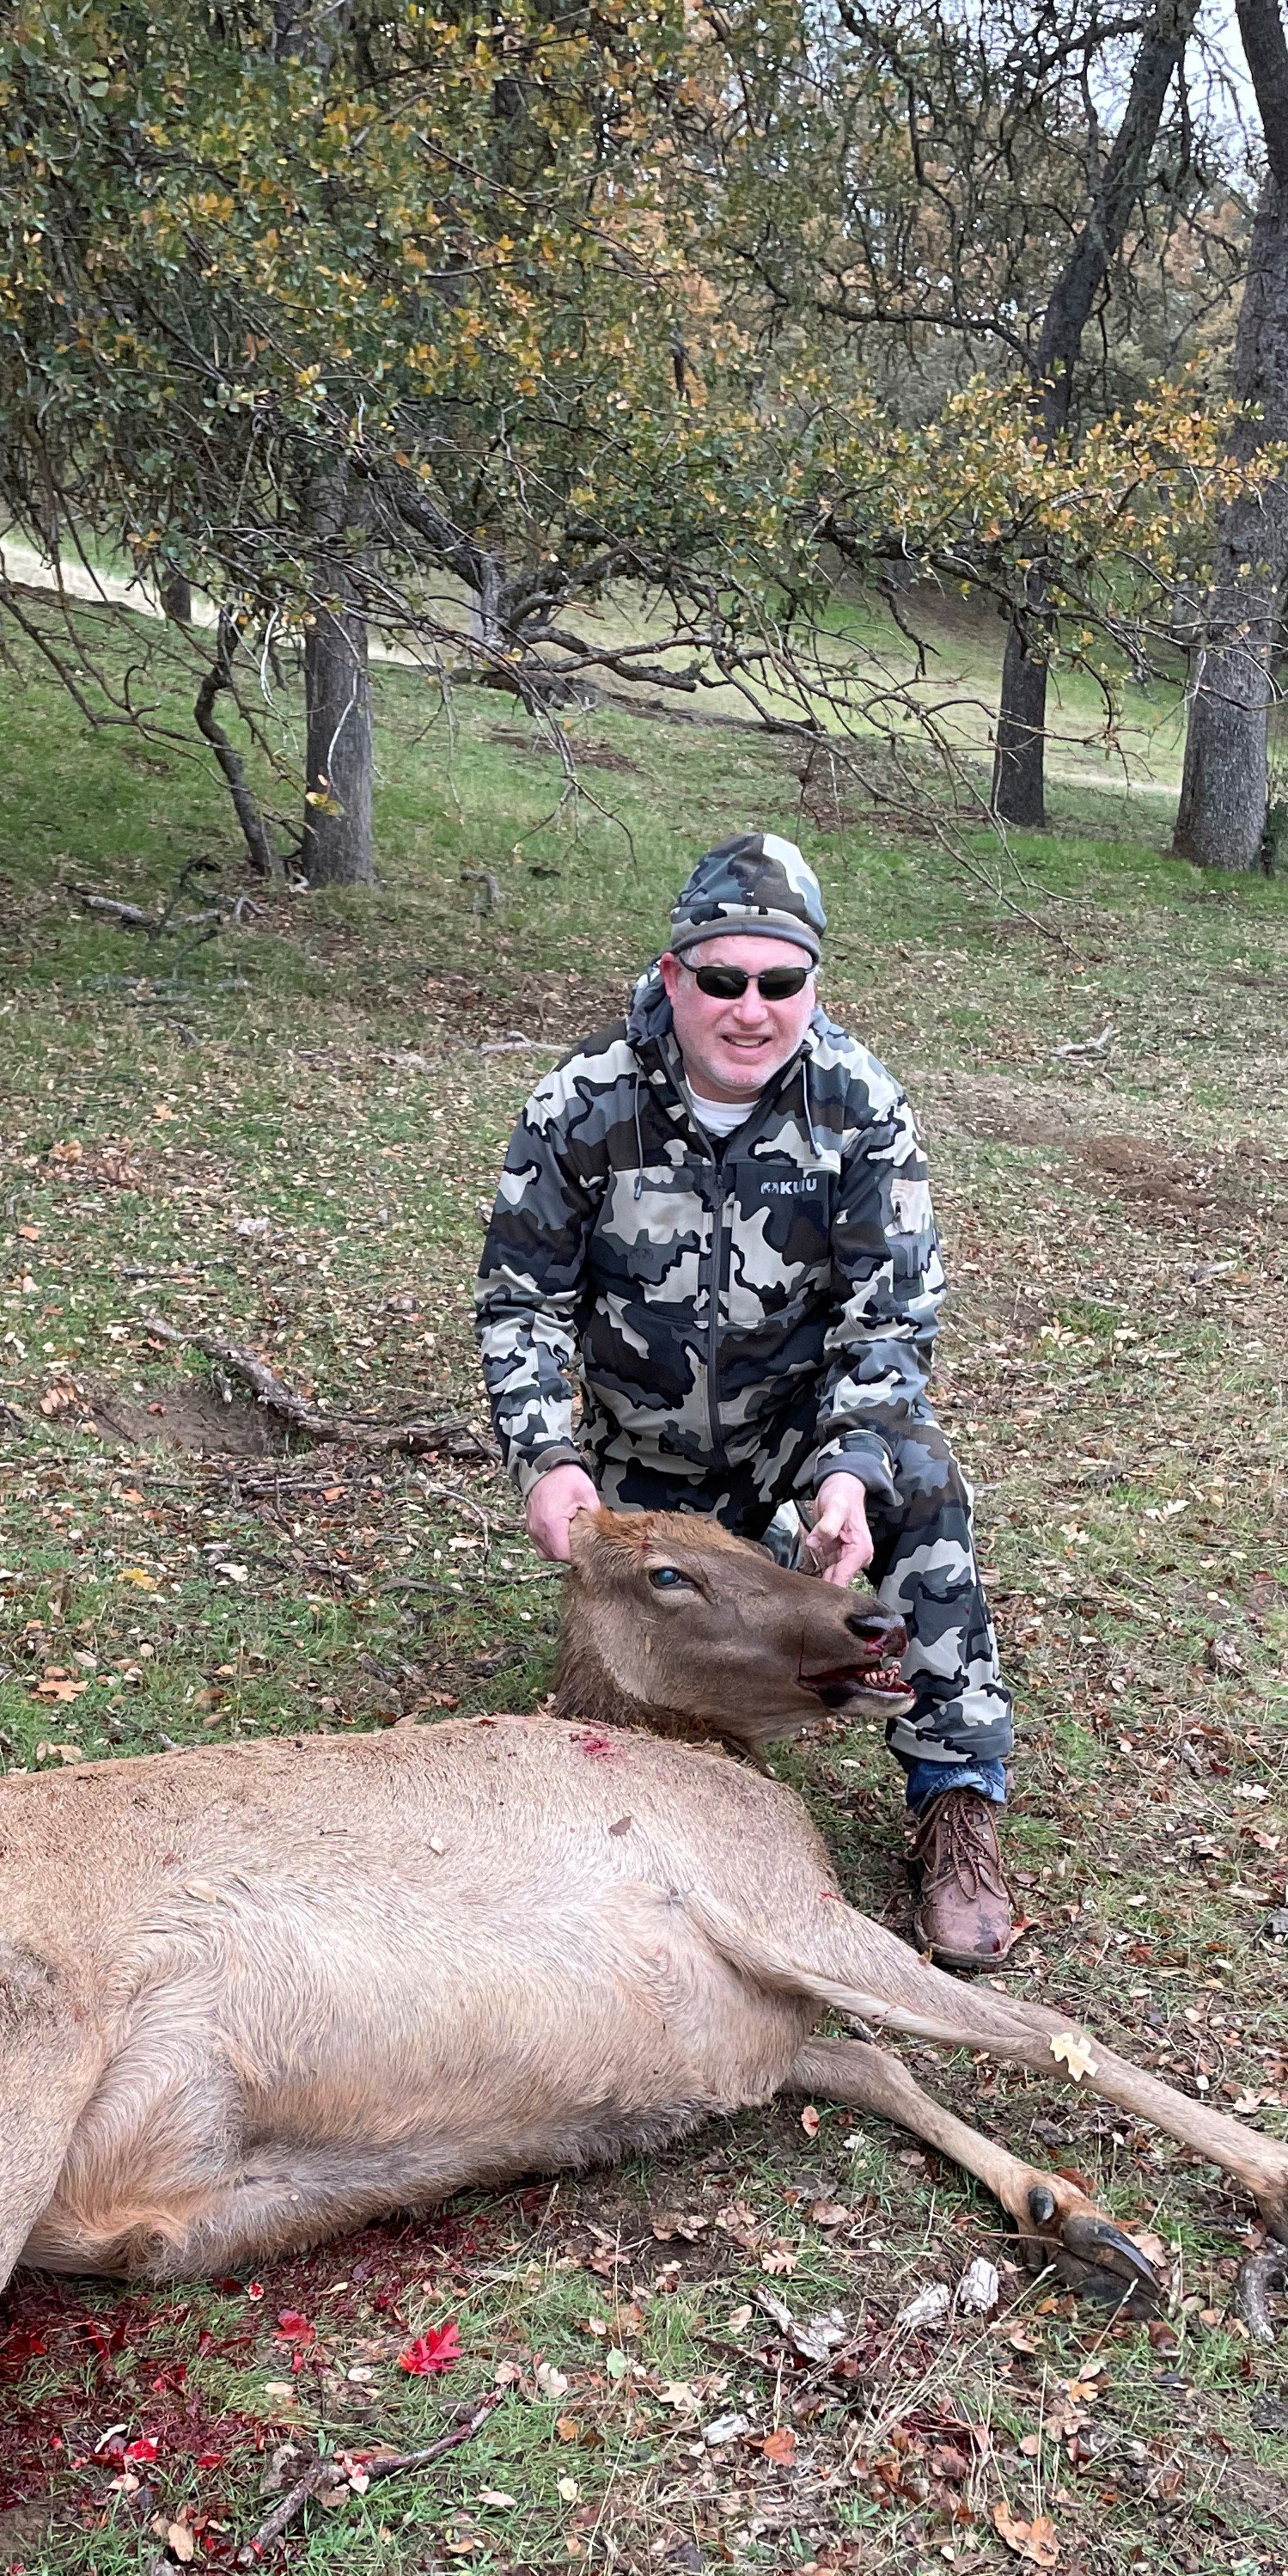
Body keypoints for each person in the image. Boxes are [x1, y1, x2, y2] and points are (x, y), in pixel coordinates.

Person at [474, 832, 1016, 1966]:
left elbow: (890, 1319)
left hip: (790, 1449)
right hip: (645, 1468)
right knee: (606, 1722)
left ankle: (954, 1794)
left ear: (812, 986)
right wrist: (549, 1461)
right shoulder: (585, 1105)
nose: (751, 1008)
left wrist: (849, 1475)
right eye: (723, 979)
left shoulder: (859, 1104)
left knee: (919, 1472)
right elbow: (520, 1304)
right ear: (675, 977)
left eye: (782, 982)